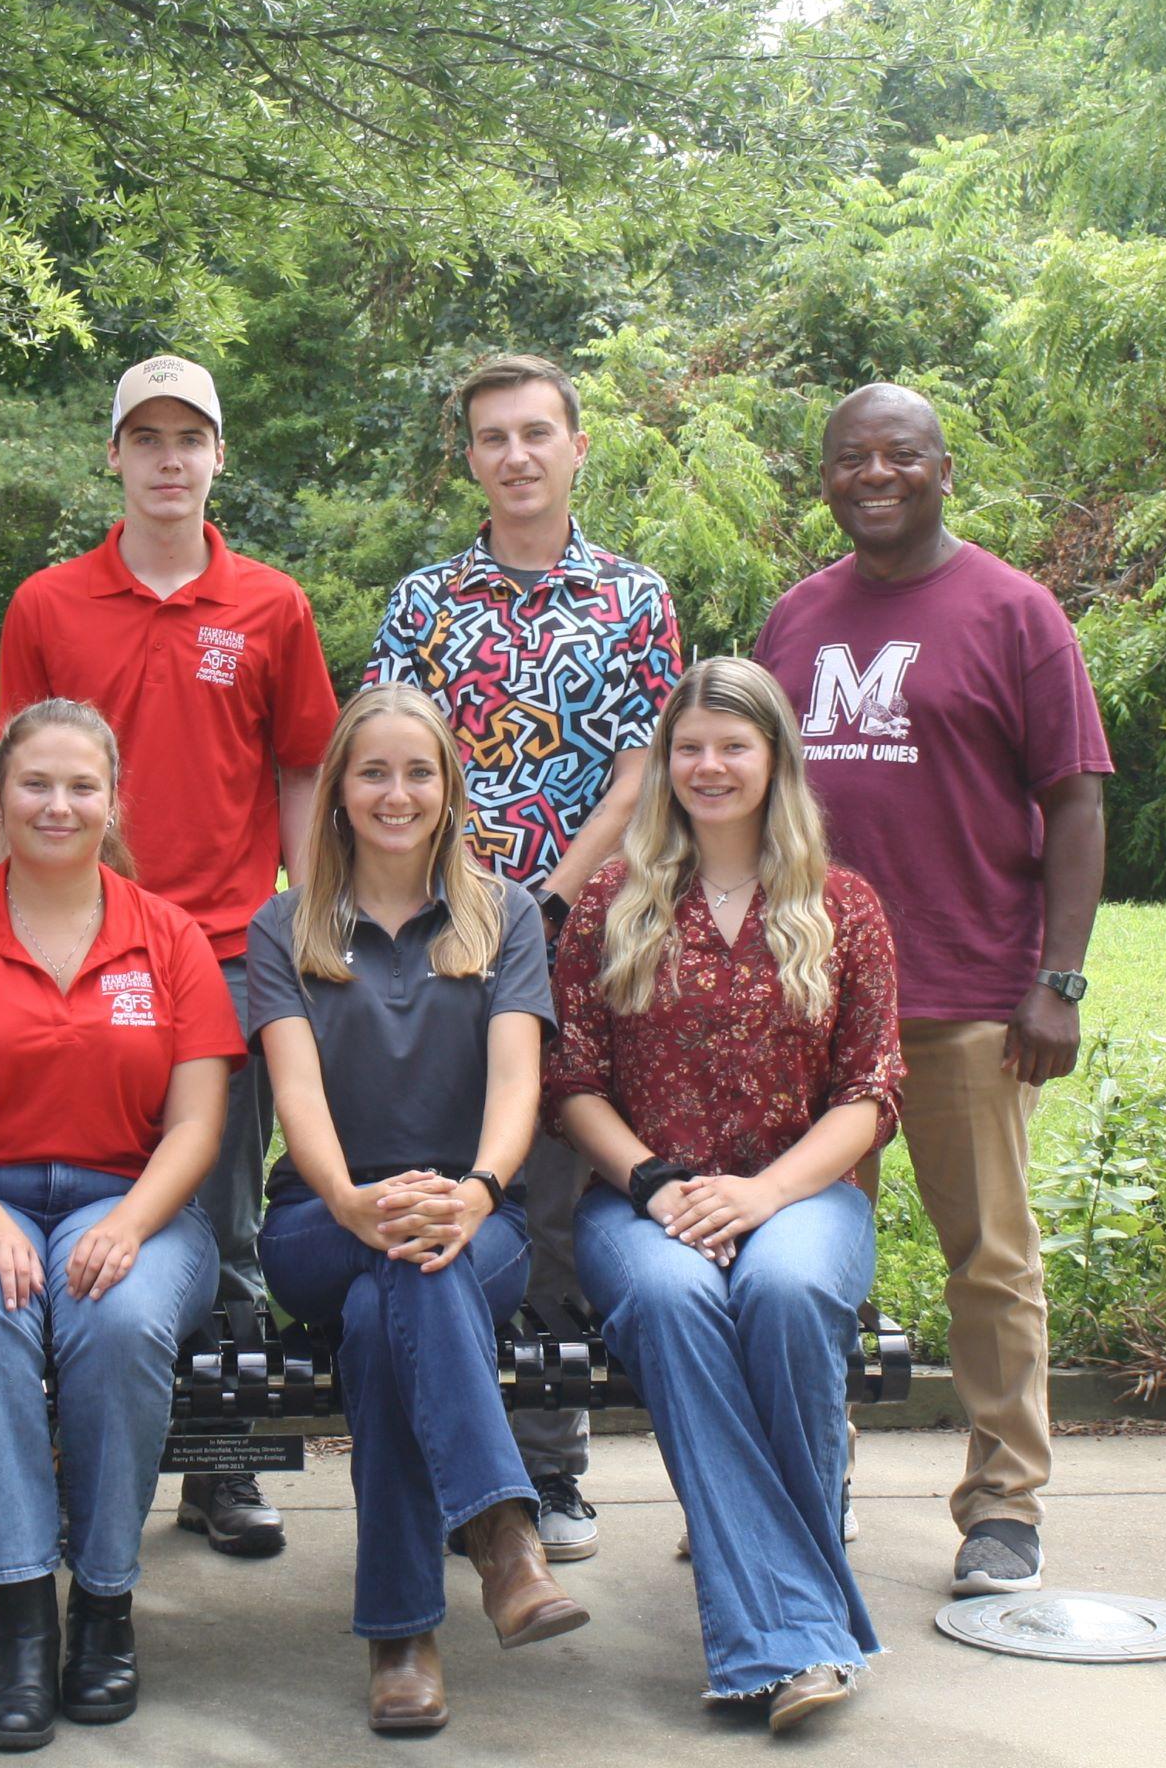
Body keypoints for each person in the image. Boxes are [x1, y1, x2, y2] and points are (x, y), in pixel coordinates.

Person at [753, 382, 1111, 1599]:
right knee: (800, 1255)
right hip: (814, 1000)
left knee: (990, 1258)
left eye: (900, 454)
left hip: (968, 990)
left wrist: (1056, 978)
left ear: (944, 468)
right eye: (852, 457)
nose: (875, 473)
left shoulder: (1016, 612)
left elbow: (1077, 801)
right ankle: (810, 1479)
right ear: (826, 478)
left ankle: (1005, 1504)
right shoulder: (795, 621)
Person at [0, 353, 339, 1557]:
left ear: (217, 456)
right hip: (78, 951)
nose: (168, 458)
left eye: (189, 437)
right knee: (82, 1188)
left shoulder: (270, 605)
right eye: (145, 437)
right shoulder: (47, 602)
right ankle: (77, 1449)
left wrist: (309, 920)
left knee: (225, 1220)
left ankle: (221, 1464)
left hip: (233, 946)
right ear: (115, 457)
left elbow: (303, 768)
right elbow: (21, 779)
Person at [0, 699, 239, 1750]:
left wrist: (127, 1220)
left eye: (83, 786)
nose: (59, 804)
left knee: (113, 1312)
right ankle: (23, 1614)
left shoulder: (167, 938)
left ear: (113, 800)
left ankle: (107, 1605)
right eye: (36, 783)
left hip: (136, 1201)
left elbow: (199, 1122)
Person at [364, 352, 683, 1561]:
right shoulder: (424, 600)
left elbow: (640, 772)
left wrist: (540, 899)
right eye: (492, 436)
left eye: (537, 432)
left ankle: (549, 1468)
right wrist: (460, 903)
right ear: (471, 459)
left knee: (551, 1188)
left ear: (577, 445)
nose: (516, 454)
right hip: (436, 933)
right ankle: (447, 1451)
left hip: (579, 928)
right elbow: (390, 762)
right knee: (450, 1170)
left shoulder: (634, 599)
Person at [545, 656, 900, 1731]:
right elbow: (573, 1082)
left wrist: (761, 1195)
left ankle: (775, 1628)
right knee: (673, 1299)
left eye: (733, 745)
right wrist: (655, 1184)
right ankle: (800, 1632)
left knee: (787, 1295)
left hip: (800, 1194)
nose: (709, 765)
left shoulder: (843, 902)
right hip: (642, 1199)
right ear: (664, 763)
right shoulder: (613, 898)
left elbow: (872, 1087)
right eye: (689, 746)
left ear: (775, 758)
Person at [249, 685, 588, 1736]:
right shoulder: (285, 922)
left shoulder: (508, 913)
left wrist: (478, 1189)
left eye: (418, 772)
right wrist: (353, 1201)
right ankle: (501, 1534)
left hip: (475, 1215)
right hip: (319, 1216)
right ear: (339, 791)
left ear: (449, 790)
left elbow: (517, 1086)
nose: (396, 793)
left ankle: (402, 1631)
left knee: (390, 1302)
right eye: (373, 772)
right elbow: (295, 1095)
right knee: (395, 1264)